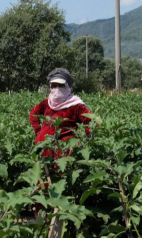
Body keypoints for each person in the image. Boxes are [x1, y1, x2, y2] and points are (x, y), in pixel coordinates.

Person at [29, 68, 93, 217]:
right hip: (44, 150)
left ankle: (60, 217)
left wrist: (80, 142)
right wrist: (39, 132)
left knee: (59, 183)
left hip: (62, 152)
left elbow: (90, 122)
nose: (56, 89)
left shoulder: (76, 105)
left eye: (60, 85)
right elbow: (33, 114)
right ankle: (42, 216)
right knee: (42, 182)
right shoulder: (47, 103)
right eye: (53, 85)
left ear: (68, 87)